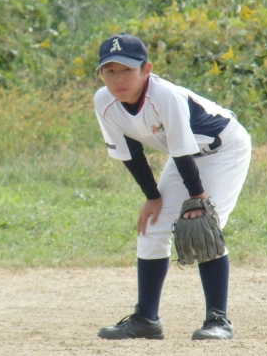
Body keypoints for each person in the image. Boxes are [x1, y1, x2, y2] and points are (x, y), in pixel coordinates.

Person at [93, 33, 252, 341]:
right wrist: (152, 197)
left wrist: (197, 199)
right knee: (152, 226)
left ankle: (218, 320)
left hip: (224, 149)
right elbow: (130, 153)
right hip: (187, 157)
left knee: (205, 228)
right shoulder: (104, 101)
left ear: (146, 69)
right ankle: (146, 320)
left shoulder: (164, 95)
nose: (118, 79)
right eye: (109, 70)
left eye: (126, 69)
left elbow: (180, 151)